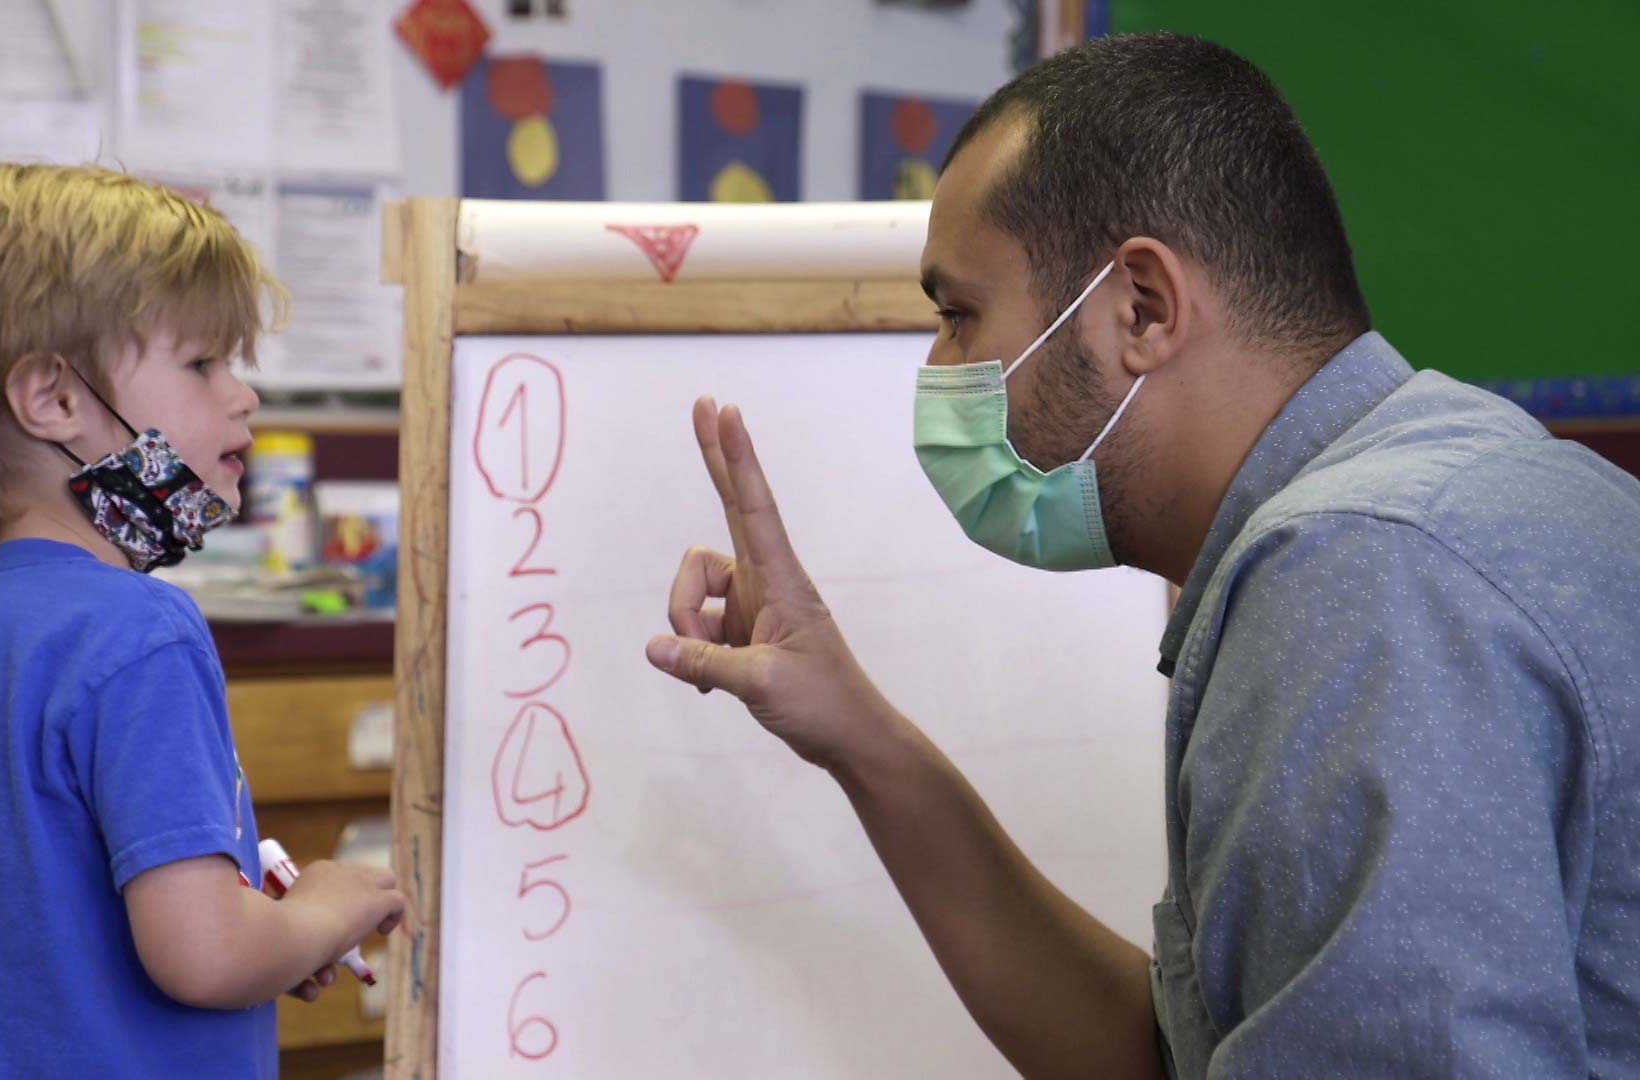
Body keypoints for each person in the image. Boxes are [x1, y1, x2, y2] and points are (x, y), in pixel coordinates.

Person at [646, 33, 1640, 1078]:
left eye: (957, 314)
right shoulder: (1444, 497)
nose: (937, 368)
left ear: (1142, 308)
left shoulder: (1360, 582)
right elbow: (1172, 1060)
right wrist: (859, 735)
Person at [0, 163, 405, 1078]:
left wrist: (265, 925)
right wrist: (322, 908)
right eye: (201, 364)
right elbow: (206, 957)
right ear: (55, 400)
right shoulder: (139, 632)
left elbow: (15, 933)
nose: (244, 396)